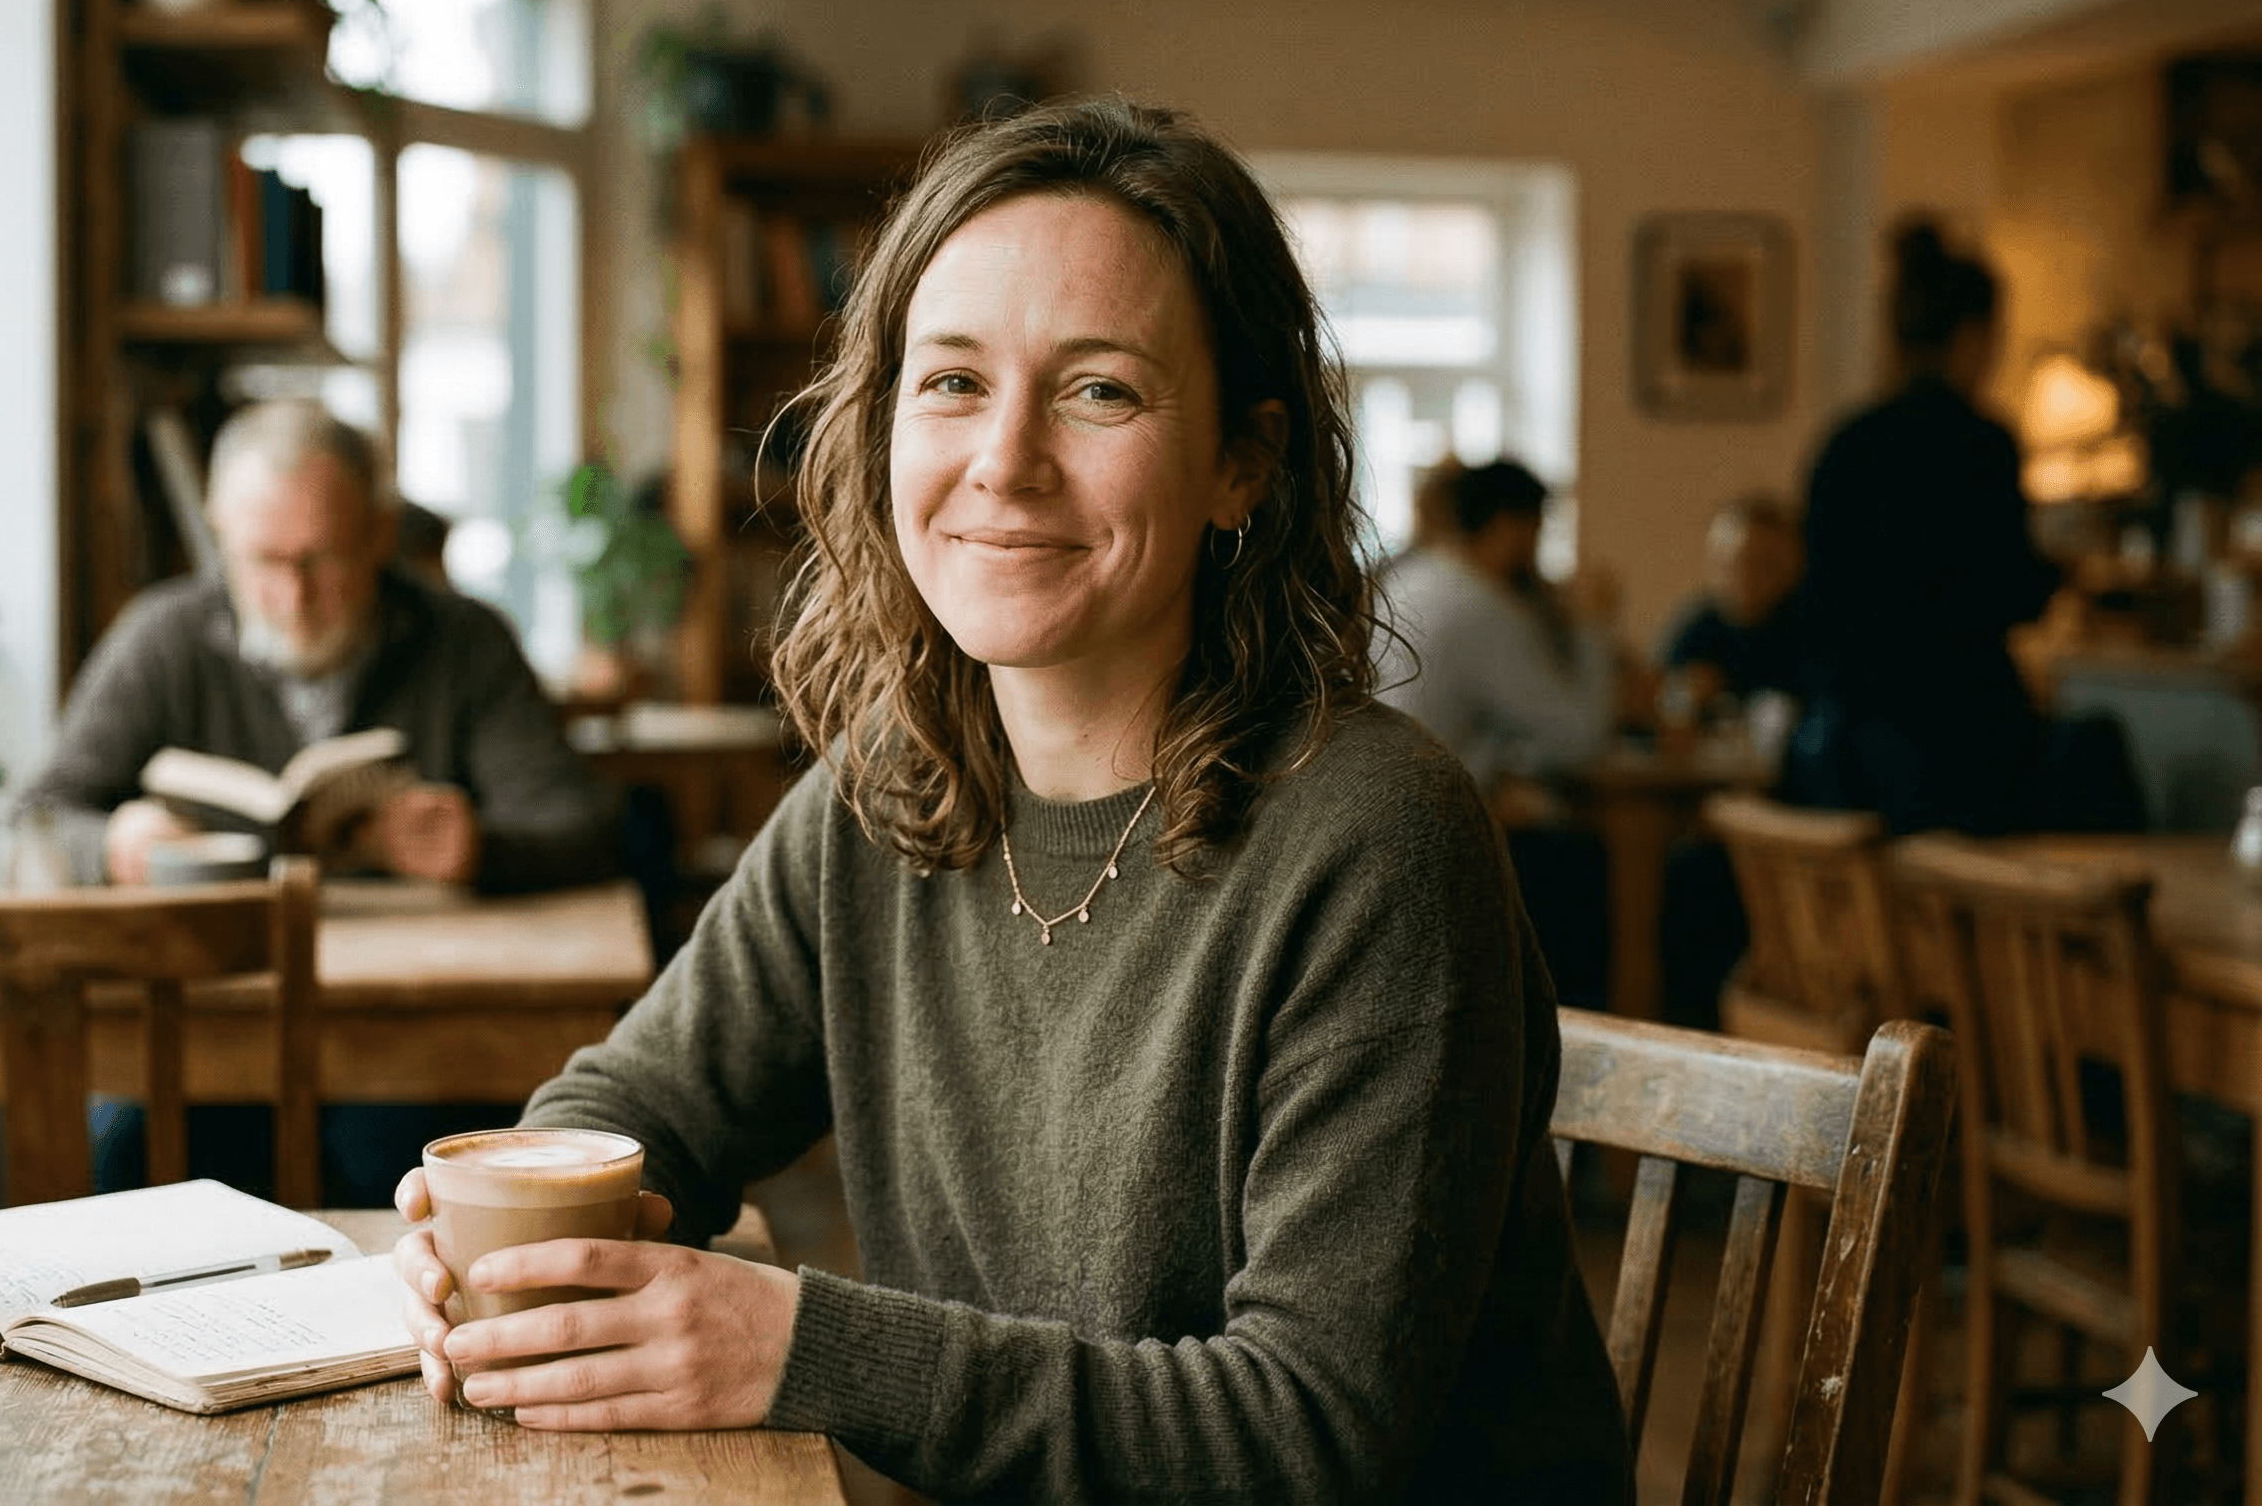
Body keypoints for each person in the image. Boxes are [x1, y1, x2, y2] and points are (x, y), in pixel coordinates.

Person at [385, 98, 1631, 1503]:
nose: (1005, 462)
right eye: (954, 382)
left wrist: (801, 1348)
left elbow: (1305, 1434)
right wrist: (506, 1234)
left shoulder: (1376, 839)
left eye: (1101, 389)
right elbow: (646, 1096)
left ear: (1245, 463)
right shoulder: (896, 780)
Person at [25, 398, 623, 1204]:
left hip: (416, 1036)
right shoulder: (164, 636)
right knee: (135, 1168)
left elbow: (581, 824)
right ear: (219, 536)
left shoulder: (463, 641)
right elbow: (35, 814)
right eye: (265, 562)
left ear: (379, 534)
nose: (294, 595)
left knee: (400, 1174)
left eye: (323, 560)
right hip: (208, 1036)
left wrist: (476, 847)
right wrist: (116, 843)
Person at [1783, 222, 2063, 835]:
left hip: (1852, 742)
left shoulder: (1846, 443)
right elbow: (2005, 587)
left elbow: (1820, 593)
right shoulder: (1982, 444)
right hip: (1959, 735)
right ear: (1972, 335)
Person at [1374, 458, 1619, 791]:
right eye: (1537, 531)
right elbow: (1581, 740)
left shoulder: (1409, 578)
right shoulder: (1480, 607)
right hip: (1427, 807)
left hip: (1382, 787)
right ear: (1510, 527)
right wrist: (1592, 626)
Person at [1659, 494, 1804, 711]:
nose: (1744, 578)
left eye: (1760, 565)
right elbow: (1658, 702)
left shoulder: (1807, 630)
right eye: (1730, 565)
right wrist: (1686, 695)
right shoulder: (1694, 630)